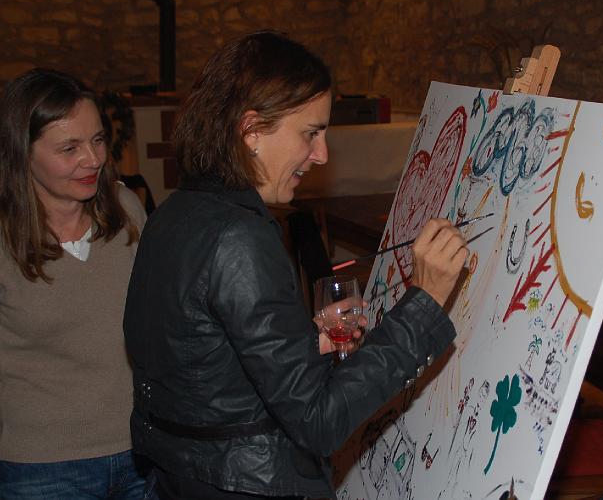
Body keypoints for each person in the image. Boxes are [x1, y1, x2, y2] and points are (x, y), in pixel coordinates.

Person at [123, 30, 468, 499]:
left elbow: (202, 361)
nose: (321, 154)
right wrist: (423, 303)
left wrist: (301, 341)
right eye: (310, 133)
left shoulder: (174, 212)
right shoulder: (238, 236)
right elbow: (319, 421)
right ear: (251, 131)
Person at [0, 69, 149, 497]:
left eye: (97, 140)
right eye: (69, 148)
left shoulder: (127, 211)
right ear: (22, 152)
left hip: (142, 453)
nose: (93, 159)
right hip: (40, 469)